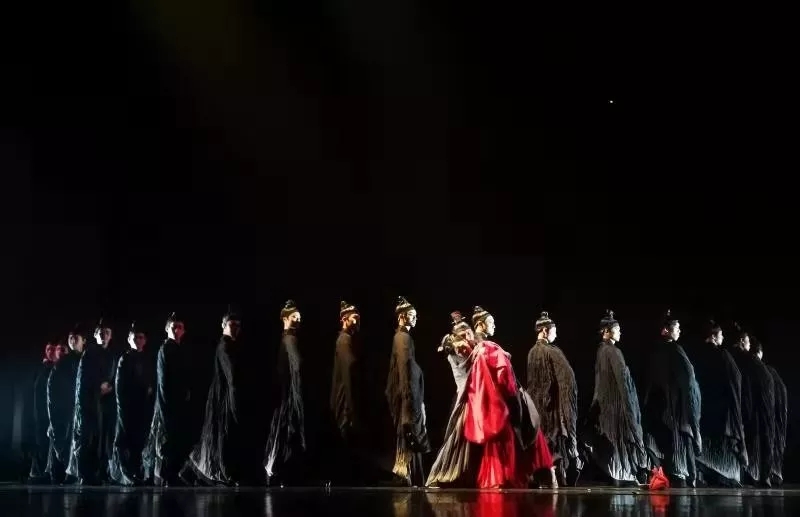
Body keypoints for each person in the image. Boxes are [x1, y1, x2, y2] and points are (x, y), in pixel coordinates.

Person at [583, 310, 649, 486]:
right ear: (606, 331)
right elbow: (623, 381)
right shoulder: (613, 351)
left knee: (614, 441)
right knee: (621, 439)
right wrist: (630, 407)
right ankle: (623, 474)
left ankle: (618, 474)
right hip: (617, 406)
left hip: (606, 406)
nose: (620, 332)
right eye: (617, 329)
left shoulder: (601, 351)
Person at [641, 310, 702, 487]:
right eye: (677, 327)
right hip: (675, 410)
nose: (679, 330)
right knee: (678, 453)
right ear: (665, 330)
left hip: (659, 408)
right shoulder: (676, 350)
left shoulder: (654, 352)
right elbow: (689, 381)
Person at [686, 320, 747, 487]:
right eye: (721, 335)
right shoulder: (722, 355)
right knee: (721, 446)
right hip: (721, 410)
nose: (723, 337)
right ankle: (725, 476)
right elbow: (735, 380)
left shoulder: (696, 355)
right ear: (713, 336)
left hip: (704, 408)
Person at [527, 311, 582, 486]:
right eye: (554, 330)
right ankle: (552, 477)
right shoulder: (548, 351)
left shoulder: (535, 351)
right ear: (544, 330)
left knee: (545, 441)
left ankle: (547, 476)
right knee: (551, 440)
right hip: (550, 408)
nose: (556, 334)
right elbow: (564, 381)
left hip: (539, 406)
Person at [385, 296, 430, 486]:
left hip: (408, 392)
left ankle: (410, 475)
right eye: (412, 315)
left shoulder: (402, 337)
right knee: (409, 432)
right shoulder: (403, 338)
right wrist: (409, 396)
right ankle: (407, 474)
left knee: (409, 434)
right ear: (402, 317)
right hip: (407, 394)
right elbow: (405, 368)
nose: (415, 318)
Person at [264, 300, 307, 486]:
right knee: (286, 432)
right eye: (294, 317)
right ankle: (276, 471)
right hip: (288, 394)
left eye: (299, 318)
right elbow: (297, 366)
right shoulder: (290, 340)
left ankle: (276, 470)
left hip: (285, 394)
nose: (298, 320)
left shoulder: (287, 338)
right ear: (285, 319)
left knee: (283, 432)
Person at [108, 321, 156, 485]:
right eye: (135, 337)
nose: (138, 340)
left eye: (141, 337)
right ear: (129, 339)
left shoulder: (148, 359)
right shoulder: (126, 359)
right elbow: (120, 387)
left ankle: (138, 472)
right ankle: (126, 473)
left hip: (143, 408)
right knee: (125, 441)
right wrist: (123, 409)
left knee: (140, 441)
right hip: (128, 408)